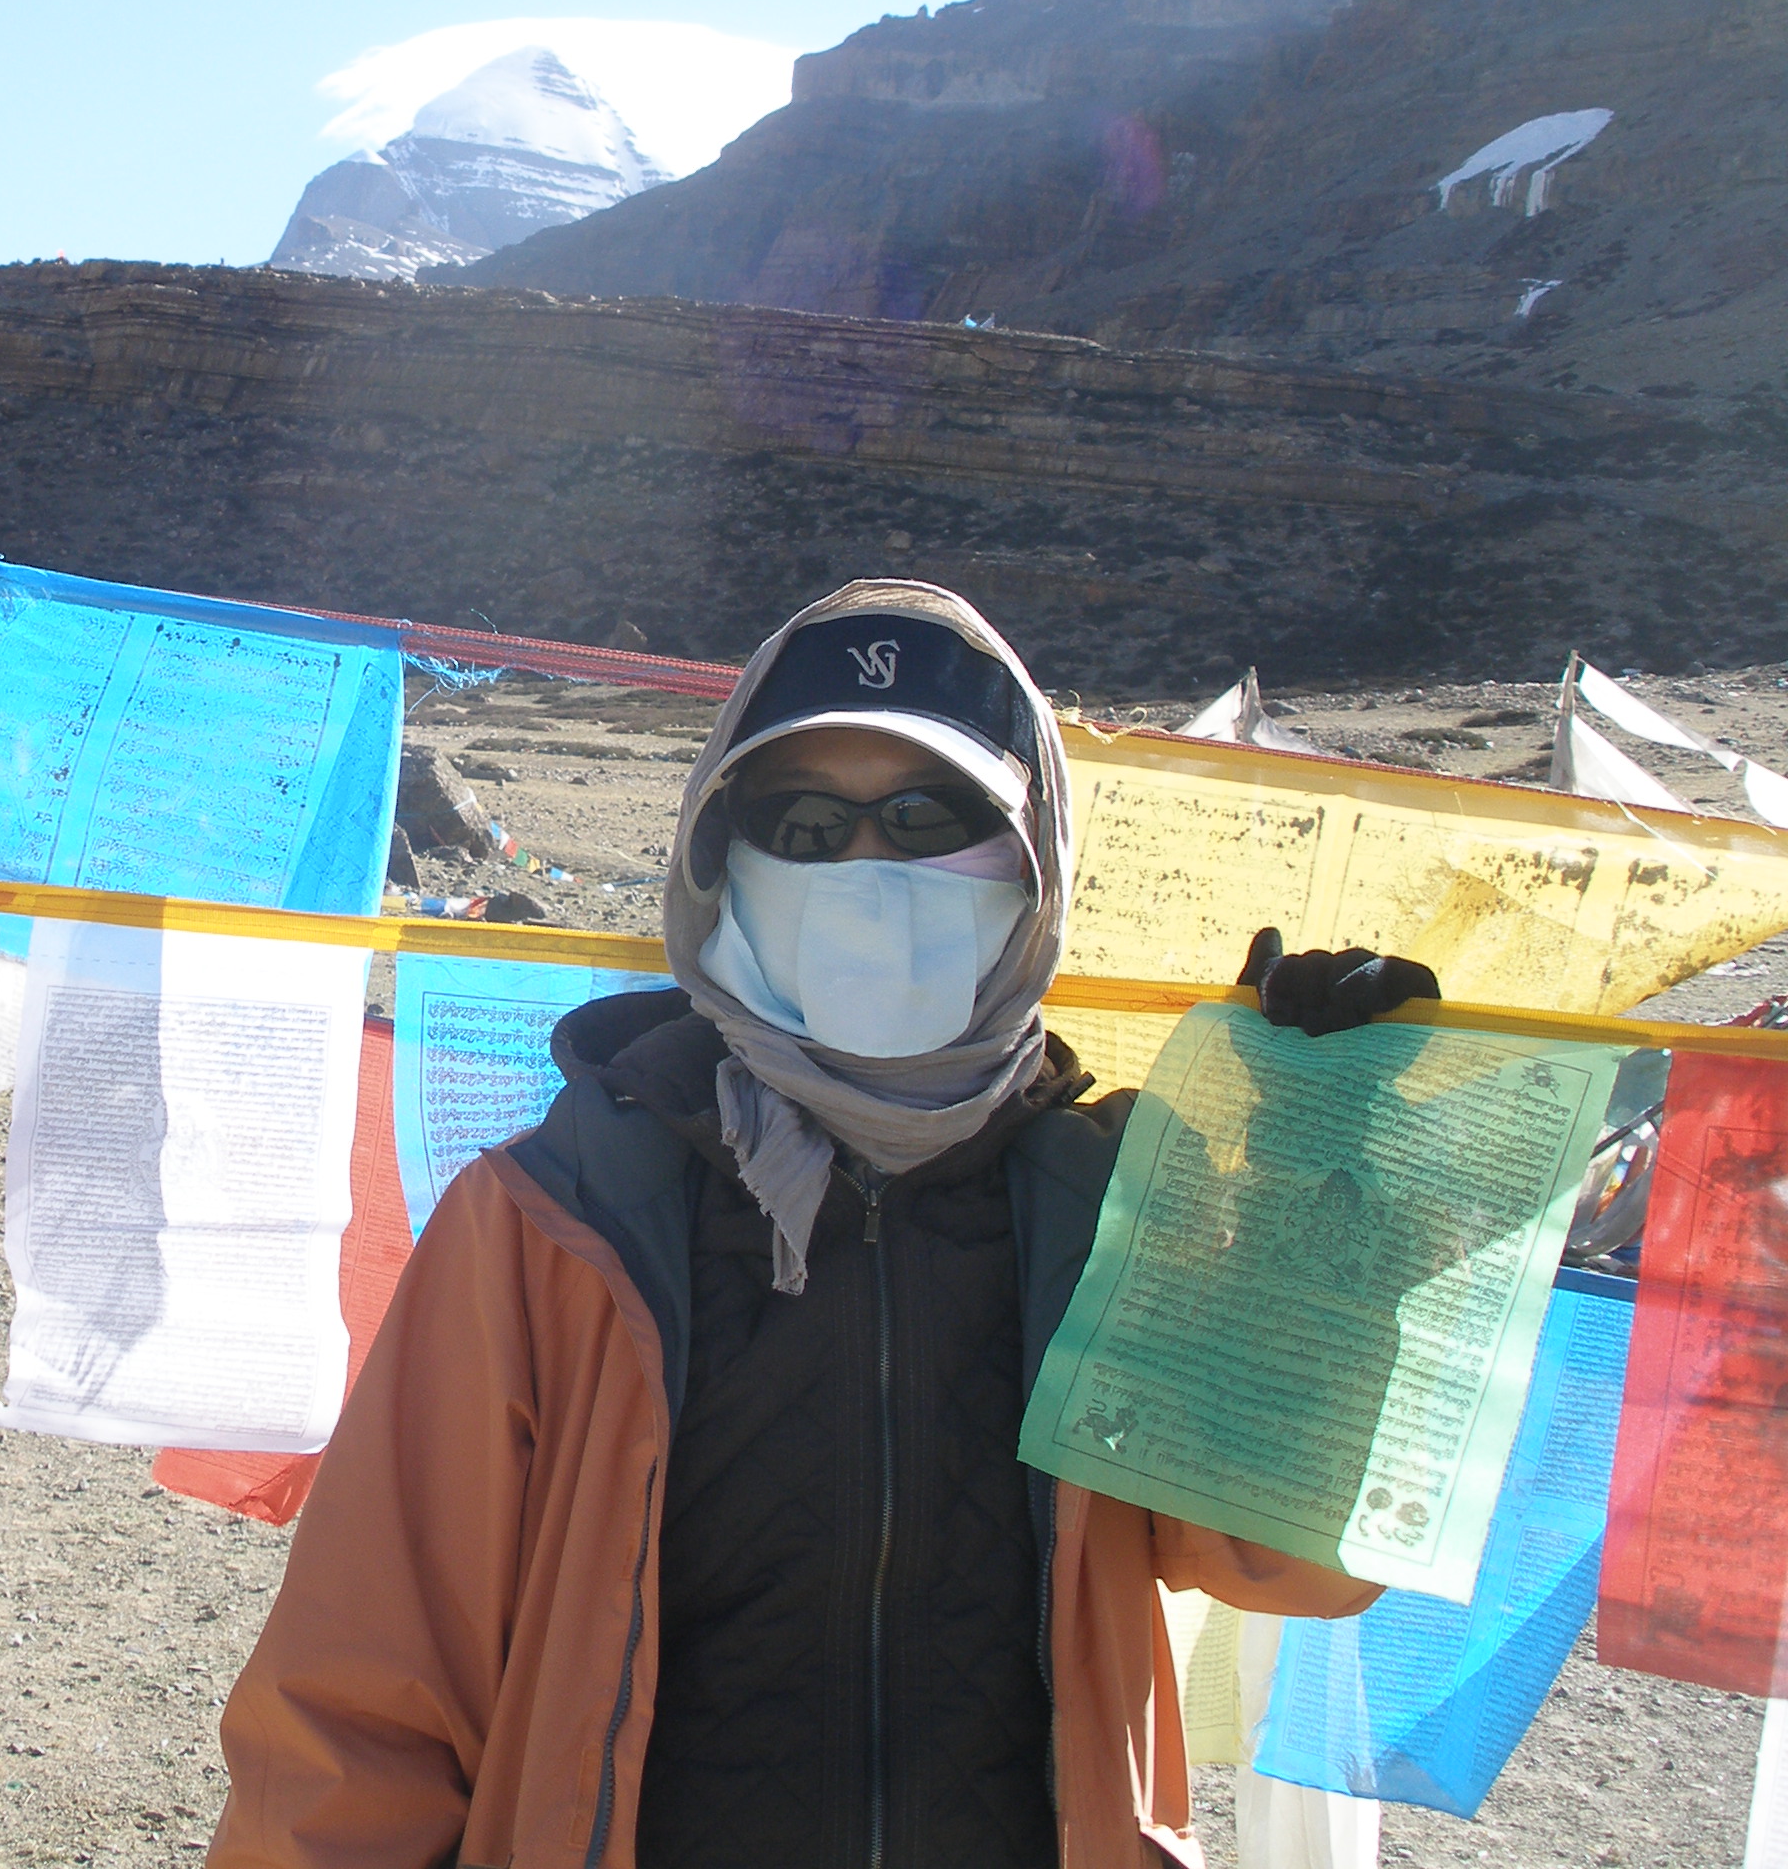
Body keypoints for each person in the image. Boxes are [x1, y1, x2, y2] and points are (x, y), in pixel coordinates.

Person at [209, 579, 1443, 1869]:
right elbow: (360, 1704)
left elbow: (1284, 1554)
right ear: (719, 863)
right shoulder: (554, 1225)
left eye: (927, 817)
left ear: (1035, 860)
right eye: (801, 824)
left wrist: (1317, 1188)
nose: (864, 869)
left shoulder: (1116, 1214)